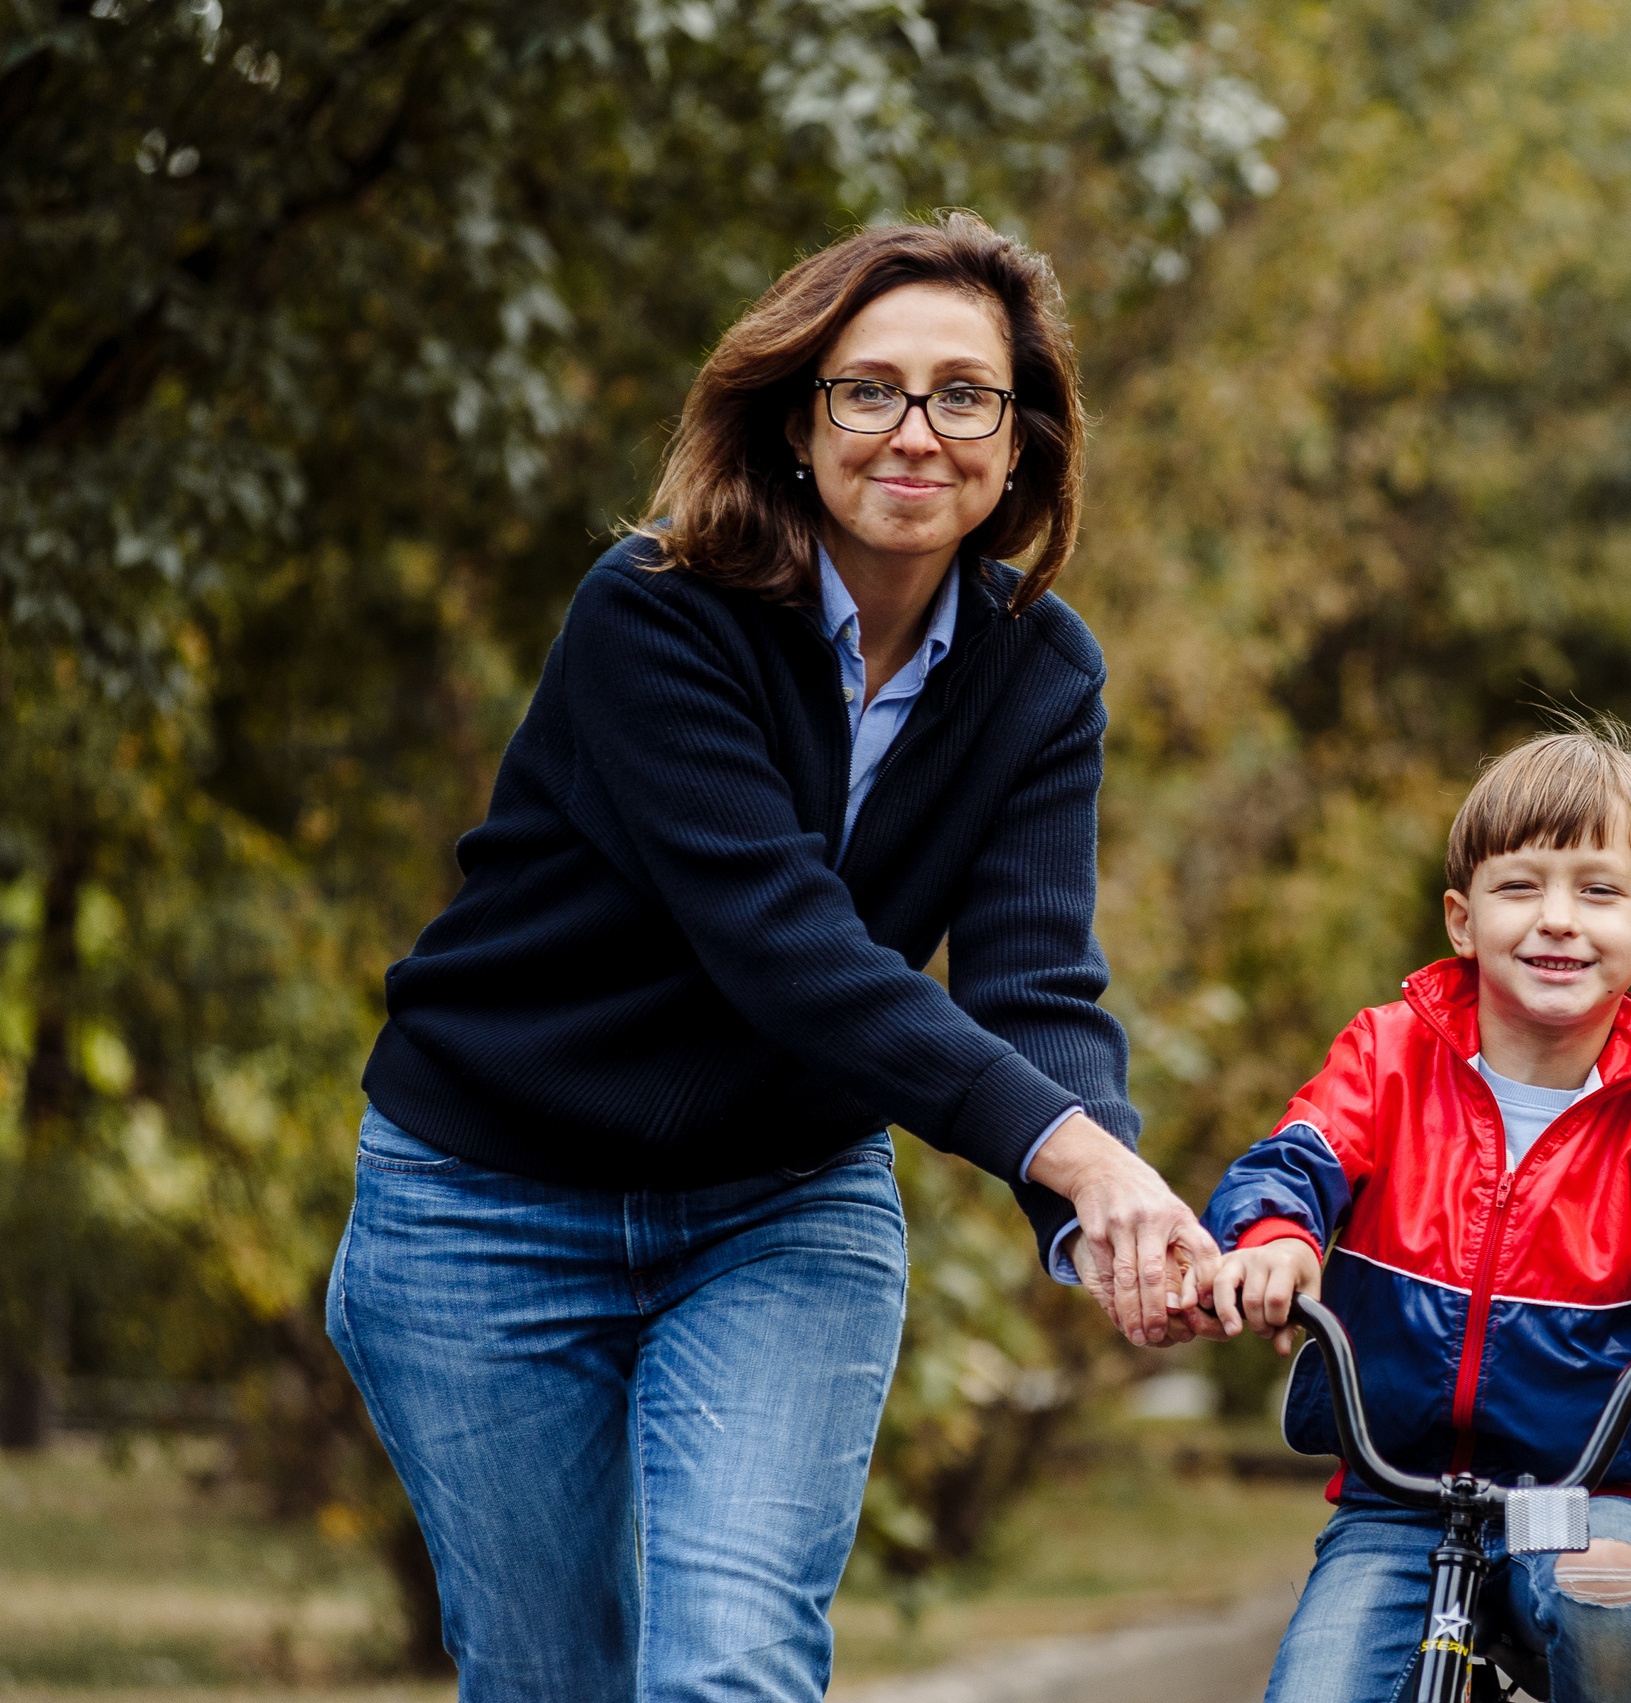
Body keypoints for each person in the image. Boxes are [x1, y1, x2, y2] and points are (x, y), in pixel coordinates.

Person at [325, 212, 1218, 1702]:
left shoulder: (1039, 673)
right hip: (480, 1201)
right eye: (866, 388)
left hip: (778, 1213)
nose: (913, 431)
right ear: (799, 423)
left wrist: (1110, 1203)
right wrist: (1077, 1156)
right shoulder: (657, 613)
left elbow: (1034, 988)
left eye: (964, 394)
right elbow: (786, 949)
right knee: (556, 1680)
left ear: (1023, 442)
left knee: (732, 1665)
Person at [1193, 722, 1631, 1703]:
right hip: (1395, 1494)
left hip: (1589, 1496)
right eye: (1520, 885)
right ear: (1462, 918)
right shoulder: (1387, 1055)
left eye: (1598, 889)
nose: (1558, 919)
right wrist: (1274, 1238)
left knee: (1609, 1597)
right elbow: (1294, 1158)